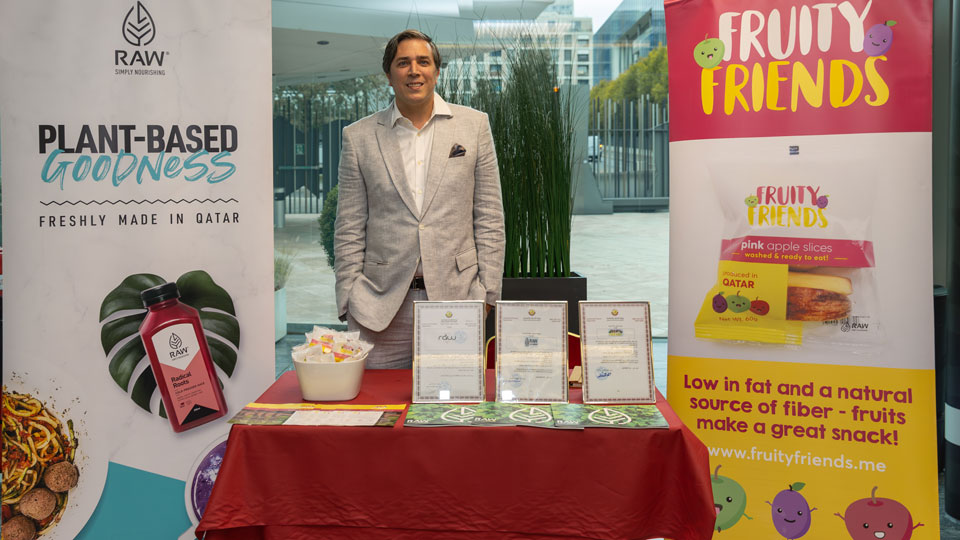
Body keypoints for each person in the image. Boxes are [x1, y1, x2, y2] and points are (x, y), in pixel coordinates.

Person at [334, 29, 505, 369]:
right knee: (380, 414)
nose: (414, 70)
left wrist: (487, 295)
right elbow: (349, 225)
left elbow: (489, 217)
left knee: (452, 417)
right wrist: (349, 296)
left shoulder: (474, 126)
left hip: (457, 301)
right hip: (379, 309)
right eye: (403, 63)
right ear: (389, 75)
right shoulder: (359, 137)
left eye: (423, 62)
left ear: (436, 71)